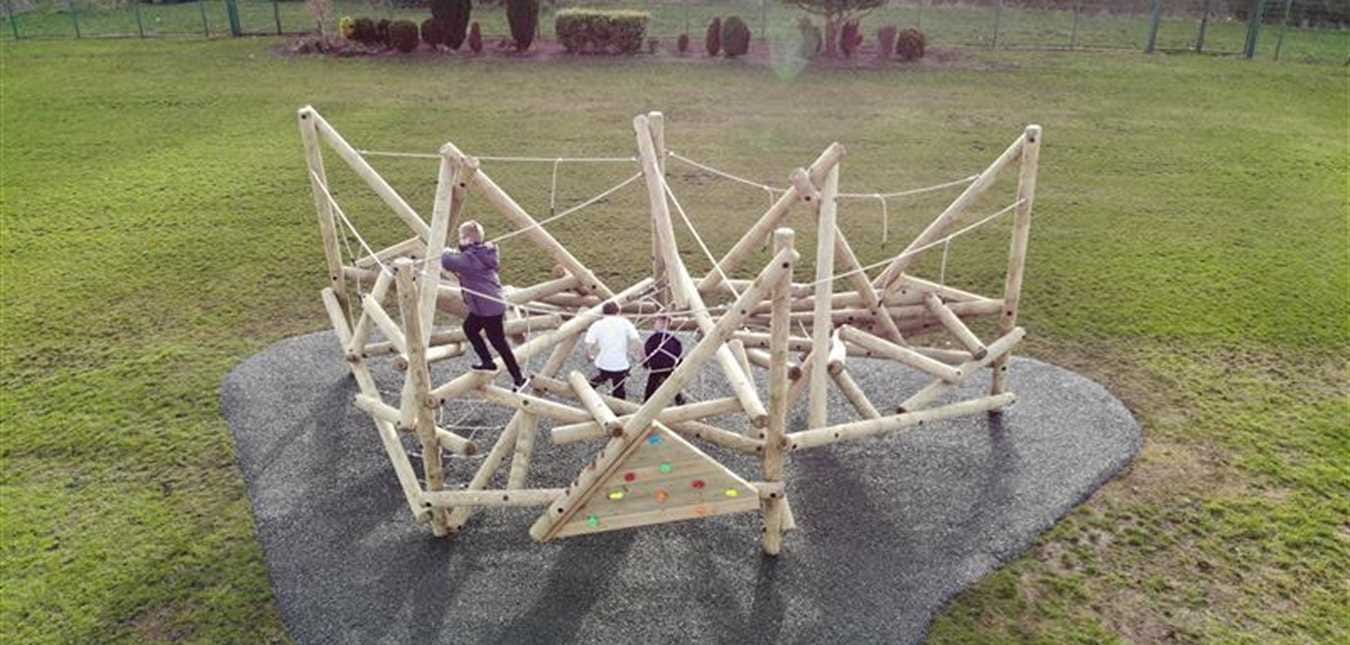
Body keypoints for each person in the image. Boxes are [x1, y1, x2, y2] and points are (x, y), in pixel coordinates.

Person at [440, 220, 528, 391]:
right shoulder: (482, 252)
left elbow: (448, 262)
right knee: (470, 328)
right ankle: (487, 362)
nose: (459, 240)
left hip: (489, 307)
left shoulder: (470, 259)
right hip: (483, 305)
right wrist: (457, 251)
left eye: (461, 238)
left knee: (498, 341)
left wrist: (445, 252)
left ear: (468, 240)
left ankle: (519, 378)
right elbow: (464, 258)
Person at [584, 301, 641, 399]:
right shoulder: (625, 322)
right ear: (618, 311)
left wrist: (589, 355)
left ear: (603, 312)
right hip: (620, 364)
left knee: (603, 376)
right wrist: (640, 355)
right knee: (619, 386)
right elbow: (636, 340)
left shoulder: (597, 324)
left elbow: (588, 343)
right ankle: (618, 407)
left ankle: (587, 391)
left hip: (603, 363)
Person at [641, 314, 686, 405]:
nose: (654, 325)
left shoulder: (654, 338)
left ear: (662, 323)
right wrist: (678, 364)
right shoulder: (674, 339)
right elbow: (679, 353)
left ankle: (647, 401)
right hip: (670, 367)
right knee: (673, 384)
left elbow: (647, 351)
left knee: (652, 385)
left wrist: (646, 363)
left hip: (657, 367)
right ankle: (679, 399)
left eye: (656, 322)